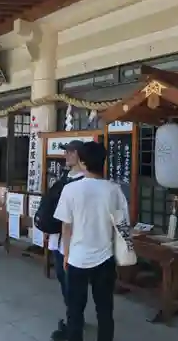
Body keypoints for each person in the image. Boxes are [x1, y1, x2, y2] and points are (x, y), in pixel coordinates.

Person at [54, 141, 129, 341]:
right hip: (105, 258)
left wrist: (66, 254)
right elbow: (122, 225)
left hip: (77, 258)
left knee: (75, 309)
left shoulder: (71, 190)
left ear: (83, 162)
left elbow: (66, 227)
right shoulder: (114, 190)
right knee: (104, 310)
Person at [49, 140, 85, 341]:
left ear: (79, 156)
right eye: (66, 152)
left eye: (70, 152)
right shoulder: (65, 176)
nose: (66, 155)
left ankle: (74, 326)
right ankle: (73, 319)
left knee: (73, 285)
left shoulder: (83, 181)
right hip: (58, 238)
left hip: (72, 242)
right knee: (64, 282)